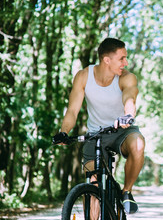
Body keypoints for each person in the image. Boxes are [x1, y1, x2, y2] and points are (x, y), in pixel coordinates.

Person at [53, 38, 145, 215]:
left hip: (122, 131)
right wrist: (64, 132)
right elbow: (72, 110)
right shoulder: (83, 76)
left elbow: (130, 99)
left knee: (138, 144)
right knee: (93, 187)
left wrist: (127, 116)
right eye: (122, 58)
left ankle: (126, 192)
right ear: (107, 60)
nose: (126, 63)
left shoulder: (126, 78)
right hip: (95, 135)